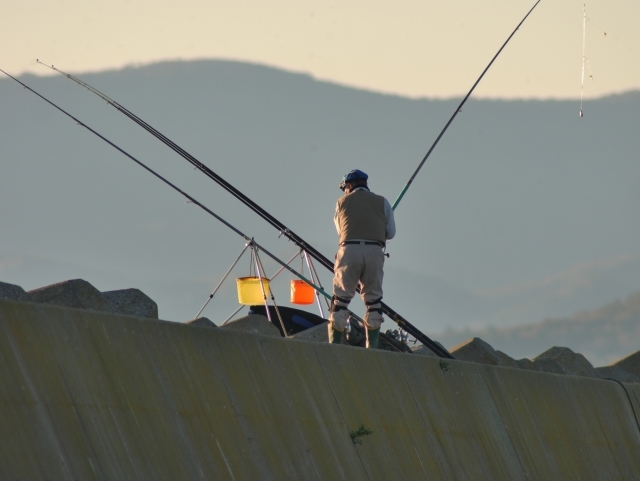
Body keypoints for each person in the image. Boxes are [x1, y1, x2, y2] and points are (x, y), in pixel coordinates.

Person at [328, 169, 396, 348]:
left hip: (349, 250)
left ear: (349, 186)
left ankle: (334, 346)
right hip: (375, 252)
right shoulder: (383, 202)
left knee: (340, 302)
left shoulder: (341, 202)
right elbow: (391, 233)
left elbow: (341, 230)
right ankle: (371, 349)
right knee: (374, 302)